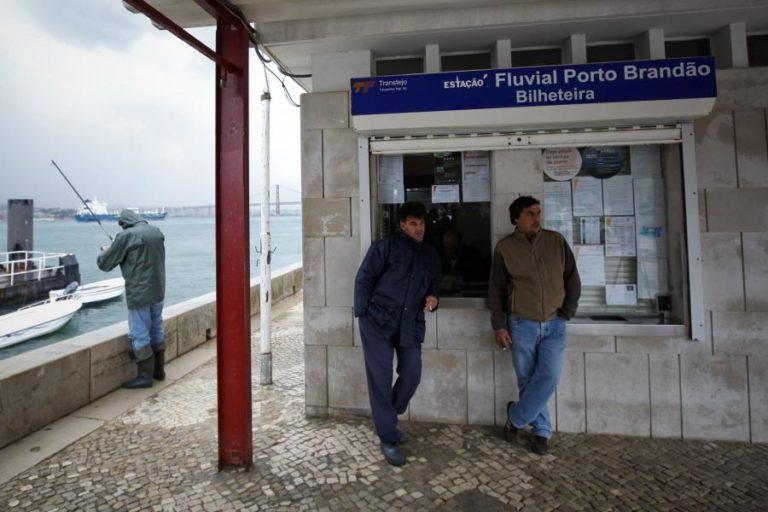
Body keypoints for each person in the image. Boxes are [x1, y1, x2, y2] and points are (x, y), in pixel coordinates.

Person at [488, 196, 581, 455]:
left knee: (549, 377)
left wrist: (567, 312)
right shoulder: (505, 248)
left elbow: (573, 279)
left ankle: (515, 417)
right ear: (516, 218)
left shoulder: (556, 241)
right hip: (521, 323)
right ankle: (542, 431)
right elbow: (496, 291)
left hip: (555, 323)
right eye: (530, 214)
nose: (536, 218)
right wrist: (499, 326)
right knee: (527, 380)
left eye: (538, 213)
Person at [354, 201, 441, 466]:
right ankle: (388, 437)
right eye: (413, 223)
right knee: (380, 379)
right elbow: (364, 279)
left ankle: (388, 414)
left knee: (412, 374)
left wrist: (434, 297)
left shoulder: (430, 254)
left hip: (410, 322)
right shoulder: (385, 247)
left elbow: (435, 283)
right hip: (377, 322)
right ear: (402, 224)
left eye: (421, 223)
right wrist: (363, 312)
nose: (419, 228)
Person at [97, 209, 166, 389]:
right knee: (156, 329)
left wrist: (108, 250)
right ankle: (159, 370)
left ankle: (145, 376)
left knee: (139, 332)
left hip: (139, 292)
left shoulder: (125, 236)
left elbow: (104, 264)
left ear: (124, 223)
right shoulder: (155, 231)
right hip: (158, 290)